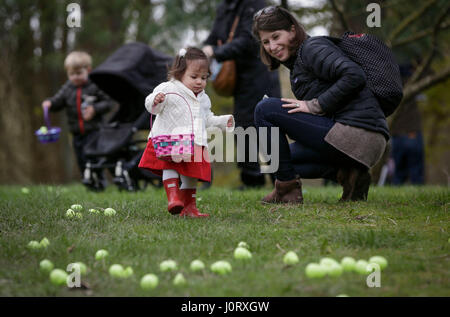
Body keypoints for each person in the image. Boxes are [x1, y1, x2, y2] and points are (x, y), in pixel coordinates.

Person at [252, 6, 389, 203]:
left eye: (276, 36)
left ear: (292, 30)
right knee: (280, 161)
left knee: (264, 109)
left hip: (359, 133)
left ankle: (286, 192)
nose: (272, 46)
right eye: (266, 42)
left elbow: (354, 75)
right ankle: (349, 175)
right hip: (359, 138)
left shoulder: (312, 48)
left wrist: (314, 106)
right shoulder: (298, 64)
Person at [138, 47, 234, 218]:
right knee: (171, 165)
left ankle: (189, 207)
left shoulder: (203, 98)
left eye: (204, 78)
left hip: (195, 142)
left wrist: (221, 121)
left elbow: (207, 119)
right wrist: (156, 100)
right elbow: (152, 107)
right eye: (194, 77)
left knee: (191, 175)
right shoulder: (168, 88)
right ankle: (173, 197)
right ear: (179, 73)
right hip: (169, 138)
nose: (199, 82)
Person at [203, 0, 281, 189]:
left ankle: (281, 179)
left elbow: (249, 41)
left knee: (268, 128)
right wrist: (205, 49)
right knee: (243, 126)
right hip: (239, 78)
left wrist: (216, 51)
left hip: (260, 74)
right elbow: (215, 35)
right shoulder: (225, 7)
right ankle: (251, 179)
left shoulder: (256, 4)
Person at [42, 51, 114, 186]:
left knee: (92, 156)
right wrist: (49, 103)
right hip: (76, 132)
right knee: (81, 158)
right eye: (71, 74)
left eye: (79, 73)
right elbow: (58, 101)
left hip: (94, 130)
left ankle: (100, 180)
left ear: (88, 70)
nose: (75, 77)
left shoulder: (95, 86)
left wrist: (95, 109)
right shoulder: (68, 88)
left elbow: (108, 103)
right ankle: (88, 182)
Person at [390, 64, 425, 185]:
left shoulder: (391, 86)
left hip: (396, 135)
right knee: (416, 173)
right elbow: (429, 73)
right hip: (412, 133)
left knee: (399, 173)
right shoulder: (414, 85)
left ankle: (392, 199)